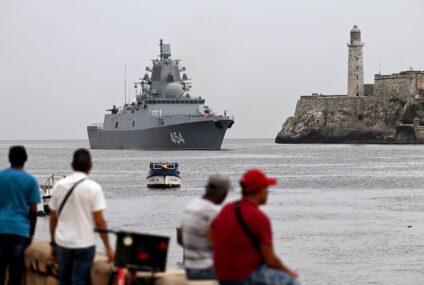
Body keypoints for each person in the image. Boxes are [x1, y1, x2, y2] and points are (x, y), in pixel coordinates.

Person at [210, 169, 300, 285]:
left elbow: (209, 233)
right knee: (291, 282)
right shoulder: (260, 218)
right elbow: (270, 259)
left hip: (222, 275)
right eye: (266, 188)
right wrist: (289, 272)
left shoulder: (227, 209)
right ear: (259, 190)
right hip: (245, 277)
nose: (268, 192)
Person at [49, 149, 114, 285]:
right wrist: (108, 247)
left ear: (72, 165)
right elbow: (99, 221)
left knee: (63, 280)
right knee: (80, 280)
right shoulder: (94, 188)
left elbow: (53, 218)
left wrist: (53, 243)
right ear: (90, 166)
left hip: (63, 242)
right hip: (85, 243)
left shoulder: (59, 186)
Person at [0, 145, 40, 285]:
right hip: (19, 231)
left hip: (1, 229)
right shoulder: (30, 181)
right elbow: (33, 211)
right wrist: (31, 233)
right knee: (15, 273)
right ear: (25, 159)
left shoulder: (1, 177)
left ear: (9, 159)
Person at [181, 174, 231, 280]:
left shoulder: (191, 206)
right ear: (223, 193)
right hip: (206, 269)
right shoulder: (214, 212)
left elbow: (180, 239)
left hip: (189, 266)